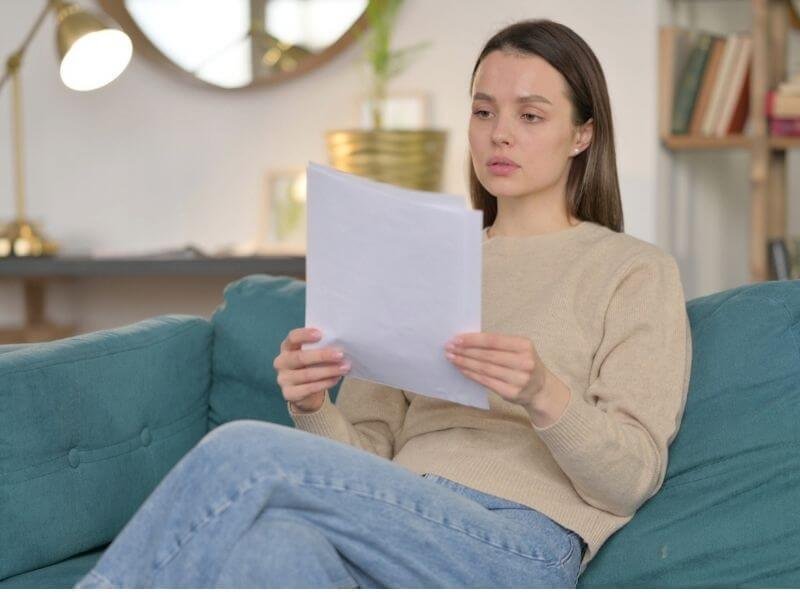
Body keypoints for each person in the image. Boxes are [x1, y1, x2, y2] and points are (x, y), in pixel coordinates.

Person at [75, 18, 692, 589]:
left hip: (515, 543)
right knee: (274, 548)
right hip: (394, 517)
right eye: (483, 111)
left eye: (531, 116)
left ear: (582, 134)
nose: (499, 133)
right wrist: (314, 405)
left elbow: (631, 480)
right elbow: (367, 453)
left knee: (245, 451)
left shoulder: (633, 271)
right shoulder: (421, 260)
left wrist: (542, 393)